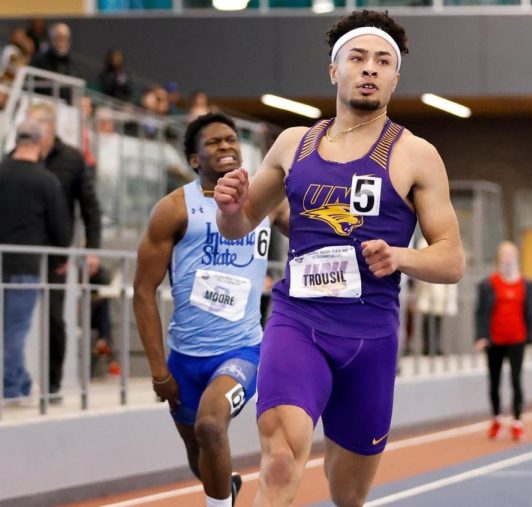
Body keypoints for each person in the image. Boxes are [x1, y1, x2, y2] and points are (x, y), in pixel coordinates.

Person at [213, 10, 464, 506]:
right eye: (357, 57)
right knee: (281, 457)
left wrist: (400, 257)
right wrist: (228, 207)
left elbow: (452, 260)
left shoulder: (416, 155)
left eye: (382, 61)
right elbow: (240, 223)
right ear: (335, 70)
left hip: (369, 339)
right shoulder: (292, 144)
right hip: (296, 322)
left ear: (395, 78)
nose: (369, 68)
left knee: (347, 495)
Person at [133, 113, 289, 507]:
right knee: (198, 450)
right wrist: (158, 371)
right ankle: (225, 490)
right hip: (185, 357)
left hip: (243, 351)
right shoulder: (173, 209)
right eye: (214, 142)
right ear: (194, 159)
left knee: (210, 424)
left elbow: (311, 227)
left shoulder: (263, 199)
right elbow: (142, 291)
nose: (225, 146)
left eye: (231, 139)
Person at [26, 102, 102, 400]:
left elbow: (90, 207)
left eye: (36, 127)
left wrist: (93, 249)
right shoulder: (16, 158)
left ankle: (52, 384)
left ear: (50, 129)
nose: (30, 132)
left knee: (54, 320)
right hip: (23, 253)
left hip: (56, 255)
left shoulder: (71, 158)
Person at [0, 119, 71, 400]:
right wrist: (60, 257)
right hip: (27, 264)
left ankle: (19, 381)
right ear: (40, 143)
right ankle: (14, 387)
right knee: (16, 330)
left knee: (10, 330)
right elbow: (61, 229)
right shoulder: (46, 180)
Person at [475, 241, 532, 441]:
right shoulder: (488, 284)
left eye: (511, 255)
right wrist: (481, 336)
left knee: (516, 381)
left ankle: (517, 422)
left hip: (517, 339)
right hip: (495, 340)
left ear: (516, 258)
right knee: (494, 382)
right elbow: (481, 313)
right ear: (499, 259)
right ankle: (497, 418)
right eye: (504, 255)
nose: (508, 259)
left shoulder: (526, 285)